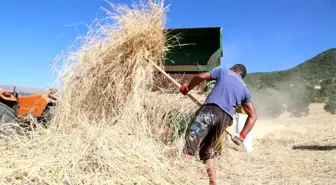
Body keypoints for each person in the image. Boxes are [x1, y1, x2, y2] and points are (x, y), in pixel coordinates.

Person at [179, 64, 257, 185]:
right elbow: (253, 116)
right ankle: (213, 182)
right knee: (207, 149)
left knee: (192, 140)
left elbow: (201, 76)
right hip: (226, 118)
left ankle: (180, 178)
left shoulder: (224, 72)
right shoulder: (245, 89)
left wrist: (187, 88)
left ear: (236, 69)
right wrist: (242, 135)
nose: (230, 68)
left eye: (232, 67)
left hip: (210, 109)